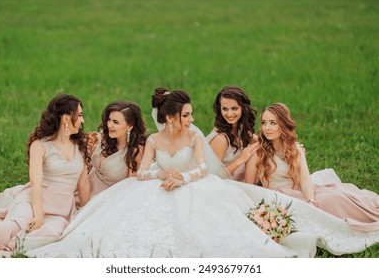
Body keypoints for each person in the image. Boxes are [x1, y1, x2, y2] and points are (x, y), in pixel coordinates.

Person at [26, 91, 378, 258]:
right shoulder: (152, 139)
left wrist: (185, 177)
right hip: (155, 186)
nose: (193, 121)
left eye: (192, 114)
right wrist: (160, 176)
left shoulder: (195, 137)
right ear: (171, 118)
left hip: (195, 186)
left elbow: (200, 165)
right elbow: (143, 170)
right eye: (187, 115)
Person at [244, 102, 379, 231]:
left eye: (273, 123)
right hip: (279, 199)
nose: (267, 128)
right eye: (264, 123)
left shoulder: (294, 148)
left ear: (283, 124)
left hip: (301, 191)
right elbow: (249, 186)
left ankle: (370, 215)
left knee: (336, 195)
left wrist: (311, 201)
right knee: (330, 200)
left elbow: (304, 178)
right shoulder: (257, 152)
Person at [0, 94, 90, 256]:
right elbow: (36, 183)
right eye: (80, 115)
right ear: (66, 119)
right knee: (15, 226)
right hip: (33, 200)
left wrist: (88, 211)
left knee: (51, 233)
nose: (82, 120)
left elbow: (83, 183)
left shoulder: (81, 146)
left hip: (60, 209)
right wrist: (38, 215)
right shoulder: (40, 145)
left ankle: (6, 245)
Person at [86, 100, 147, 198]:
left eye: (116, 122)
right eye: (109, 120)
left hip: (108, 199)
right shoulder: (102, 137)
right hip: (84, 192)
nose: (109, 125)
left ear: (130, 126)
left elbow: (131, 187)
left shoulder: (136, 151)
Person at [206, 86, 259, 181]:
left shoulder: (240, 130)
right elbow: (212, 176)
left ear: (243, 108)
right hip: (221, 185)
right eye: (225, 109)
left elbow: (262, 142)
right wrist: (241, 159)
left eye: (234, 108)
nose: (229, 114)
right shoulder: (220, 139)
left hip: (237, 181)